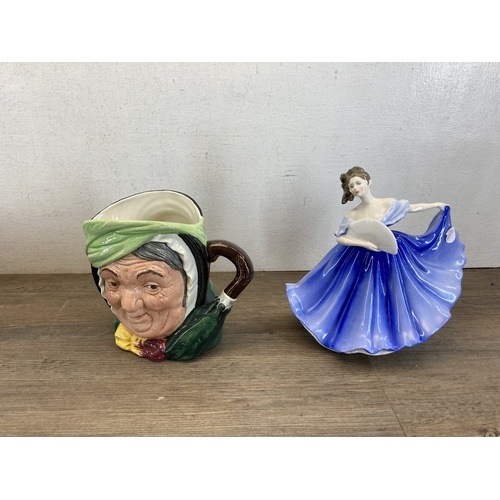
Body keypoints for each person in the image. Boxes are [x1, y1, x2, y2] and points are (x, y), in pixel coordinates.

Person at [286, 166, 466, 355]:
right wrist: (363, 243)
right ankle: (354, 331)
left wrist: (436, 204)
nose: (355, 188)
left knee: (394, 288)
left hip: (390, 252)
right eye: (351, 186)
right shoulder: (353, 214)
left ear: (368, 182)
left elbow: (411, 208)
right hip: (360, 256)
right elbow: (341, 237)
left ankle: (393, 328)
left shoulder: (386, 203)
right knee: (357, 292)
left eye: (358, 183)